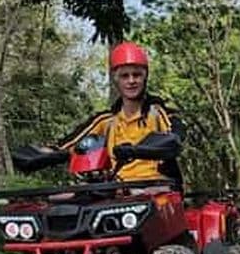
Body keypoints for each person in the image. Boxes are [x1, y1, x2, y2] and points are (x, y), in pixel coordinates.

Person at [53, 41, 184, 184]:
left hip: (158, 184)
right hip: (119, 186)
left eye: (136, 75)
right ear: (115, 78)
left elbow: (175, 136)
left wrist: (139, 150)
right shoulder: (107, 120)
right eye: (124, 76)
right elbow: (66, 145)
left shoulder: (158, 112)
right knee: (65, 195)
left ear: (145, 76)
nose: (131, 81)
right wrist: (43, 155)